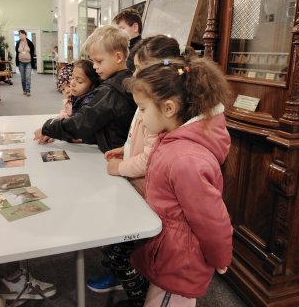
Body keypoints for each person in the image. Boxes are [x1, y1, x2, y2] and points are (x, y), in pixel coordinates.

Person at [87, 36, 191, 306]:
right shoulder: (148, 100)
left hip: (147, 195)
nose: (133, 76)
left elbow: (151, 156)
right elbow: (138, 137)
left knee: (126, 253)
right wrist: (125, 150)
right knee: (121, 249)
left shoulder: (163, 112)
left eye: (139, 70)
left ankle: (139, 296)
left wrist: (120, 167)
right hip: (136, 188)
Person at [125, 55, 233, 306]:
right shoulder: (171, 140)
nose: (139, 117)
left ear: (169, 108)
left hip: (179, 262)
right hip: (169, 252)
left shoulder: (185, 159)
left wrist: (221, 258)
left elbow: (212, 220)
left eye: (142, 109)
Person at [34, 25, 137, 153]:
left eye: (99, 61)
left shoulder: (111, 91)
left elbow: (82, 123)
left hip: (111, 155)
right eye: (93, 61)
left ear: (118, 57)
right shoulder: (125, 80)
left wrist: (49, 128)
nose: (94, 66)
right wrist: (59, 133)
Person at [15, 29, 35, 97]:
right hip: (21, 62)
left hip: (28, 62)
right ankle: (24, 89)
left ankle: (28, 90)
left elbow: (32, 50)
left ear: (25, 35)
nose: (20, 35)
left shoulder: (29, 42)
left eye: (22, 34)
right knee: (23, 78)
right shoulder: (18, 43)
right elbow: (17, 51)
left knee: (28, 77)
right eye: (19, 34)